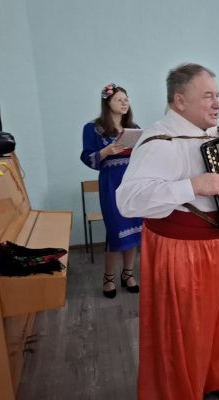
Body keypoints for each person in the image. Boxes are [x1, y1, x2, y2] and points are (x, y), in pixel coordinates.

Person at [116, 64, 219, 400]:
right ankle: (180, 391)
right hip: (182, 251)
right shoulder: (158, 140)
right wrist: (192, 186)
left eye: (218, 95)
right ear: (179, 101)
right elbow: (128, 201)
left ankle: (215, 379)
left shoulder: (218, 134)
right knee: (186, 329)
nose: (217, 103)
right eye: (207, 96)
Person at [80, 83, 141, 298]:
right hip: (111, 185)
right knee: (116, 231)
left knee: (134, 230)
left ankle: (128, 274)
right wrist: (106, 150)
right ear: (107, 103)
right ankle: (108, 278)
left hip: (132, 185)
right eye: (119, 99)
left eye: (126, 99)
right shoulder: (92, 128)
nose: (124, 103)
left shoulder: (134, 128)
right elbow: (88, 158)